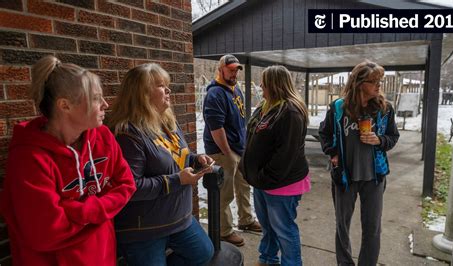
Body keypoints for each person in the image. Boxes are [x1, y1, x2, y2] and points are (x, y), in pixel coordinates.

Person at [0, 55, 137, 265]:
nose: (106, 104)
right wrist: (102, 210)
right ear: (65, 105)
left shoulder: (103, 137)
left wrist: (80, 210)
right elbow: (44, 233)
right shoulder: (28, 157)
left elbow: (127, 184)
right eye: (95, 98)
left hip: (102, 255)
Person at [108, 63, 214, 266]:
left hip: (180, 219)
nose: (168, 90)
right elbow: (130, 187)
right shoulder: (127, 134)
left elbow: (177, 157)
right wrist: (177, 180)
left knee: (203, 253)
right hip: (145, 231)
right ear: (142, 93)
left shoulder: (167, 123)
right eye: (160, 85)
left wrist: (196, 159)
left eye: (167, 84)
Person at [319, 60, 400, 266]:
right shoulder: (338, 107)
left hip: (374, 177)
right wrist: (333, 153)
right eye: (374, 81)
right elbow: (325, 133)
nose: (378, 85)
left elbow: (393, 136)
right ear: (358, 83)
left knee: (372, 228)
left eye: (379, 80)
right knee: (342, 226)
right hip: (345, 177)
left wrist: (380, 140)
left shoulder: (385, 109)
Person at [240, 65, 311, 266]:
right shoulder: (265, 106)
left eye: (264, 81)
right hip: (263, 182)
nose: (261, 85)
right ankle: (268, 259)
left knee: (284, 230)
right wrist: (248, 169)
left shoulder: (290, 112)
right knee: (268, 226)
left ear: (275, 84)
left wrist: (264, 177)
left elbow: (285, 154)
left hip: (282, 184)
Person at [203, 54, 261, 246]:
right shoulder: (215, 94)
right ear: (220, 70)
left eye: (236, 69)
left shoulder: (235, 89)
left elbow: (240, 120)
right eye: (231, 69)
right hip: (222, 152)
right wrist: (228, 154)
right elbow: (216, 129)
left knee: (243, 186)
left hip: (238, 148)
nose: (234, 73)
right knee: (224, 194)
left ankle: (246, 219)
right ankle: (224, 231)